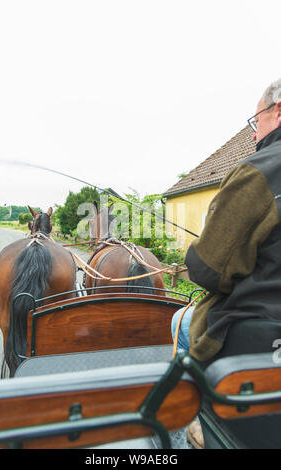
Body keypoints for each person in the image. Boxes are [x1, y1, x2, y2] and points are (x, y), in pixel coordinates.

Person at [171, 78, 281, 449]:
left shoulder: (259, 171)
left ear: (277, 112)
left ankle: (203, 421)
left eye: (256, 122)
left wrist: (194, 251)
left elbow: (208, 271)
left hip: (263, 328)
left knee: (179, 321)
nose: (253, 135)